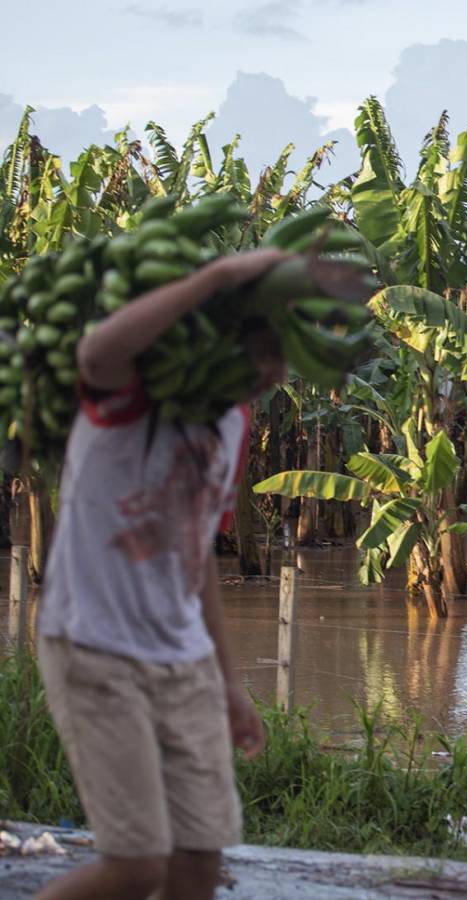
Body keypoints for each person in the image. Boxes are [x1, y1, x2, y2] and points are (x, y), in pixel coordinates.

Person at [34, 248, 290, 900]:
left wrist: (231, 684)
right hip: (94, 647)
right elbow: (94, 354)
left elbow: (195, 550)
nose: (271, 373)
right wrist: (216, 280)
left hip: (185, 662)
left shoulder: (234, 423)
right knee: (137, 865)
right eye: (260, 354)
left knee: (199, 862)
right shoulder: (130, 392)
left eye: (280, 360)